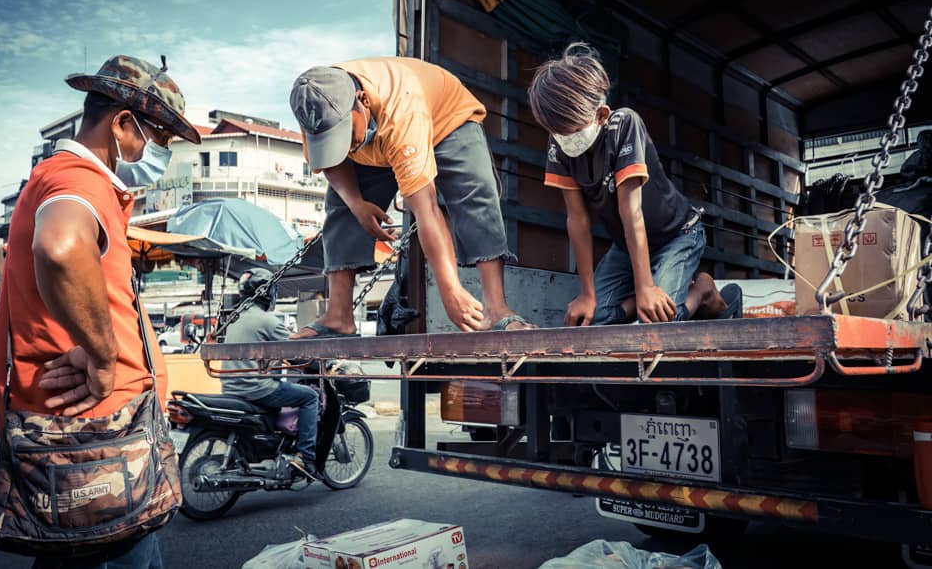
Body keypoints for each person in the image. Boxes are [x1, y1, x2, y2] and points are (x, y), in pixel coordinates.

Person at [0, 55, 202, 568]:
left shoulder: (73, 181)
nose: (162, 153)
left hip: (93, 440)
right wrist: (105, 356)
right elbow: (61, 247)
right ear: (123, 122)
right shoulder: (77, 179)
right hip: (94, 443)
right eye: (160, 138)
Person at [287, 57, 533, 338]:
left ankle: (497, 309)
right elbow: (331, 164)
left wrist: (449, 290)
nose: (342, 147)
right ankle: (339, 317)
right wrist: (357, 205)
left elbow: (426, 210)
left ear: (362, 101)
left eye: (344, 134)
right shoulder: (315, 106)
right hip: (378, 143)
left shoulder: (401, 112)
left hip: (448, 122)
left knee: (475, 198)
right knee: (340, 206)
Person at [527, 42, 741, 325]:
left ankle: (702, 291)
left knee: (659, 317)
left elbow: (632, 212)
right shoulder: (559, 144)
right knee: (594, 318)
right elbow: (577, 219)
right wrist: (587, 295)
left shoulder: (624, 124)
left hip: (677, 235)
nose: (564, 138)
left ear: (601, 115)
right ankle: (637, 301)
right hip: (626, 247)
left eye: (573, 130)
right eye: (556, 132)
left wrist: (646, 288)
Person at [219, 269, 318, 478]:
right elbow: (296, 352)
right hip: (256, 389)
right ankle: (305, 456)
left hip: (230, 387)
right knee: (310, 396)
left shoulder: (233, 317)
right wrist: (315, 361)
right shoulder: (266, 320)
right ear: (266, 291)